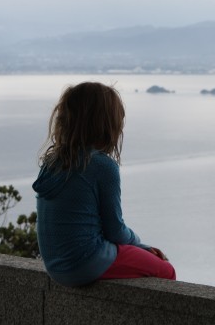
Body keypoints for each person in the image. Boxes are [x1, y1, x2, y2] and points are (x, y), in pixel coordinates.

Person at [33, 81, 176, 287]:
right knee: (166, 270)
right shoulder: (101, 165)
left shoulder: (52, 162)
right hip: (85, 263)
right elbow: (115, 230)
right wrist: (142, 245)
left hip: (56, 268)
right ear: (106, 124)